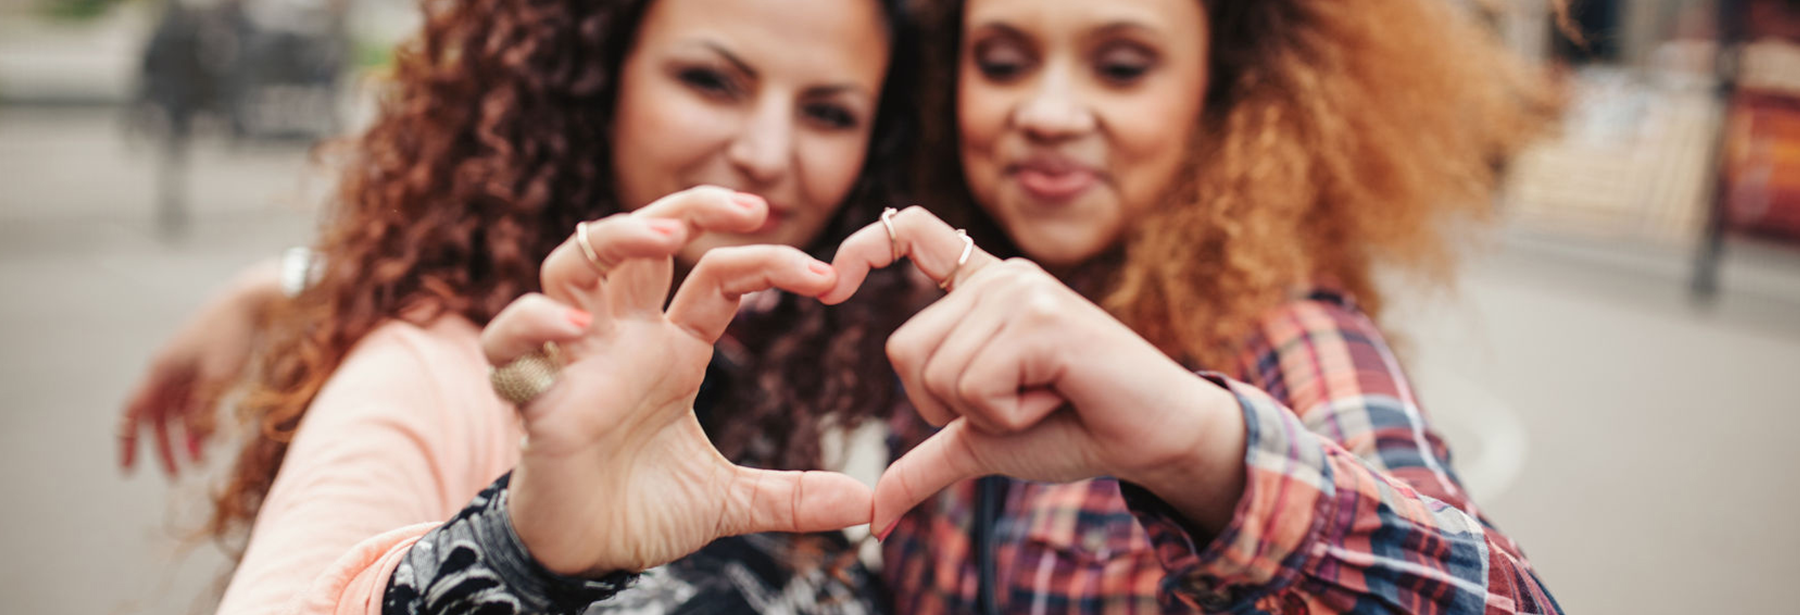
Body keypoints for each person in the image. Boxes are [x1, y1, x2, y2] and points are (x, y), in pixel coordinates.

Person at [446, 0, 1566, 613]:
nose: (1049, 111)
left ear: (1223, 96)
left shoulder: (1287, 337)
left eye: (1122, 64)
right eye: (1004, 57)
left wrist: (1197, 447)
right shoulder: (912, 319)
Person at [166, 0, 921, 612]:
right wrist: (513, 554)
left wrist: (294, 283)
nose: (766, 150)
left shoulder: (800, 352)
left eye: (828, 113)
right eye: (711, 81)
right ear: (593, 78)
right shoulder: (443, 376)